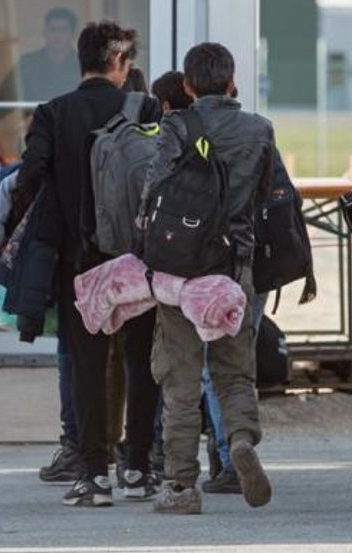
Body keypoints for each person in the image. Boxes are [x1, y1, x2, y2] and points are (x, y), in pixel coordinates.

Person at [16, 21, 162, 507]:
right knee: (142, 364)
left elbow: (30, 179)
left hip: (79, 262)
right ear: (121, 62)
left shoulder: (53, 113)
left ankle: (95, 475)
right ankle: (138, 468)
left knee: (87, 367)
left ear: (82, 60)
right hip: (138, 262)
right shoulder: (146, 110)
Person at [142, 43, 274, 515]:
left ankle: (180, 487)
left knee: (179, 380)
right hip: (234, 268)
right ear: (233, 82)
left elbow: (152, 191)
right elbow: (266, 194)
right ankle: (239, 438)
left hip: (181, 272)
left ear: (188, 87)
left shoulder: (176, 126)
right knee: (234, 373)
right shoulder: (259, 130)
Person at [0, 7, 81, 103]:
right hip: (33, 117)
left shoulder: (82, 65)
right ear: (45, 32)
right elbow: (3, 98)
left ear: (73, 34)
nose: (57, 35)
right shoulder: (27, 63)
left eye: (63, 30)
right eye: (53, 29)